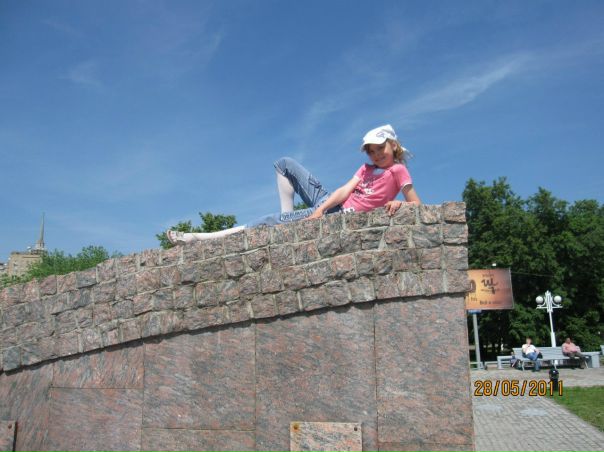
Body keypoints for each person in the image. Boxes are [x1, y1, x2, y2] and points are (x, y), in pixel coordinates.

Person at [167, 124, 421, 244]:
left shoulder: (397, 171)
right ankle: (288, 220)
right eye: (371, 151)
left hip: (340, 213)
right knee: (285, 164)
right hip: (330, 204)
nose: (376, 155)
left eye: (380, 148)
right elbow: (344, 190)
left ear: (393, 145)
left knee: (267, 221)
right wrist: (320, 210)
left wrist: (399, 204)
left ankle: (200, 238)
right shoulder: (366, 169)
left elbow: (417, 205)